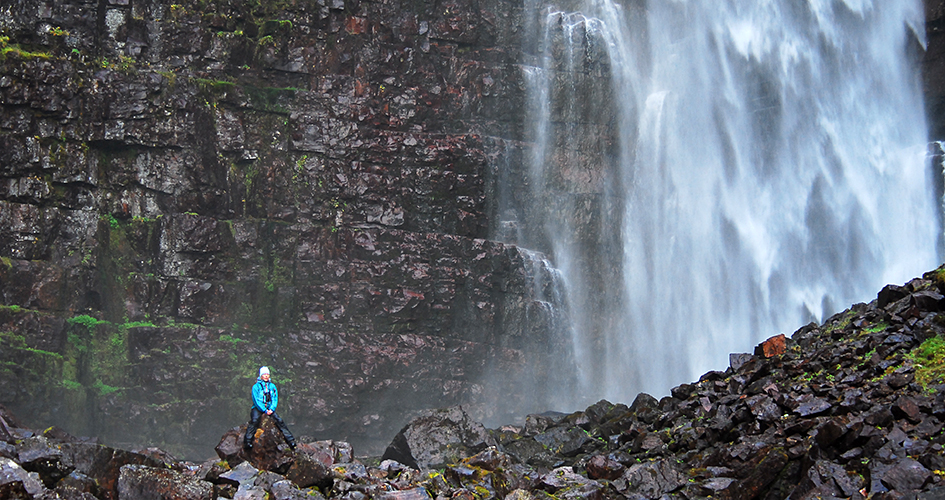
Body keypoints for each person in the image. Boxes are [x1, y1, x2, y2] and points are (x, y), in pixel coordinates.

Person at [244, 366, 296, 450]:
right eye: (264, 374)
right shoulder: (256, 387)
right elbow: (256, 400)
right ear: (261, 375)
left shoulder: (272, 386)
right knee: (254, 421)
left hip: (269, 408)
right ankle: (248, 442)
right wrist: (264, 410)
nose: (266, 376)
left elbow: (275, 398)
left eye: (267, 374)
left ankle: (291, 441)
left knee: (279, 421)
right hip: (258, 408)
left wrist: (272, 409)